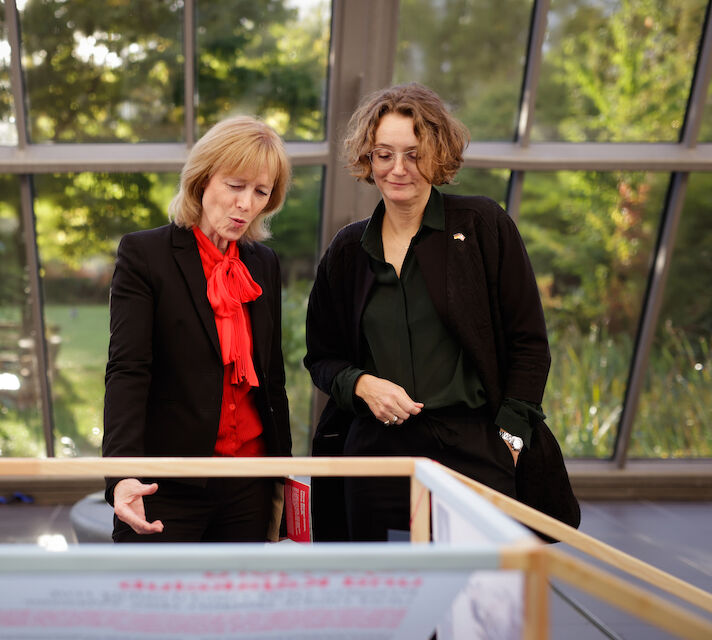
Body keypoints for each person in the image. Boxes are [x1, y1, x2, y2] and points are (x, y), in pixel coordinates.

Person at [304, 82, 553, 542]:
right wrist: (362, 384)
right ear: (368, 158)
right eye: (384, 154)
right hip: (376, 455)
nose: (398, 169)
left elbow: (529, 343)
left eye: (414, 154)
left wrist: (511, 440)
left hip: (475, 452)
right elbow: (321, 358)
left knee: (476, 604)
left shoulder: (482, 227)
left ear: (438, 155)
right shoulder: (347, 250)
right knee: (379, 601)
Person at [102, 115, 293, 543]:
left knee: (239, 608)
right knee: (158, 608)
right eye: (235, 185)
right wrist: (122, 475)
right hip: (167, 482)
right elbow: (128, 371)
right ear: (203, 180)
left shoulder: (263, 264)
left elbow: (271, 377)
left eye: (260, 192)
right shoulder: (145, 255)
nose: (246, 204)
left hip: (250, 480)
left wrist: (282, 475)